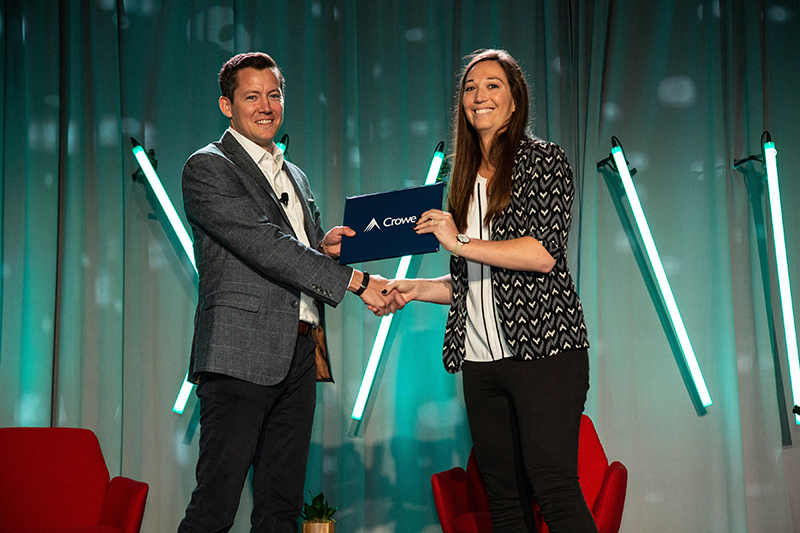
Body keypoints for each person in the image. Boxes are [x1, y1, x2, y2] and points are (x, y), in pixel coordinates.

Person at [178, 52, 393, 533]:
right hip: (238, 353)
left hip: (299, 352)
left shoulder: (294, 174)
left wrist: (325, 245)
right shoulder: (208, 166)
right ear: (226, 105)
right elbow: (264, 245)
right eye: (251, 96)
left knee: (281, 508)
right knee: (215, 505)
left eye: (273, 95)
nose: (265, 106)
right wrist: (357, 282)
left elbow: (298, 251)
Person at [385, 49, 597, 532]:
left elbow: (541, 253)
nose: (479, 95)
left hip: (544, 351)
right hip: (479, 361)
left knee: (554, 487)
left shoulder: (543, 160)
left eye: (492, 85)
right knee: (503, 500)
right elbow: (474, 281)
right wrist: (413, 288)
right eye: (470, 87)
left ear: (515, 100)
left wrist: (458, 242)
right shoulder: (459, 179)